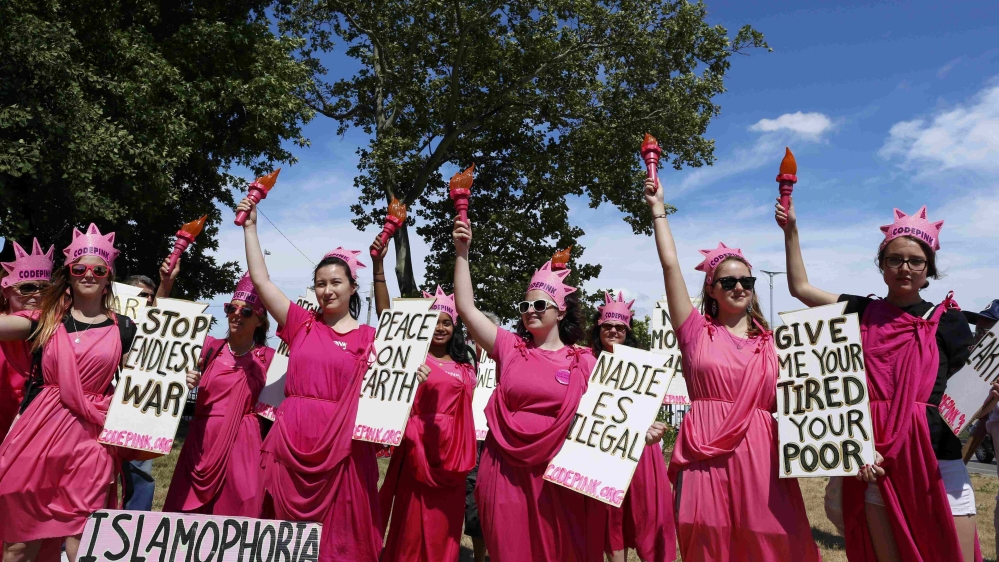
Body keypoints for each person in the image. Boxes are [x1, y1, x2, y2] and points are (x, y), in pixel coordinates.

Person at [778, 198, 966, 561]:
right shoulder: (861, 311)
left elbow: (967, 391)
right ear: (881, 266)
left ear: (929, 269)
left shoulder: (950, 321)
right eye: (894, 259)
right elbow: (801, 288)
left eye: (916, 261)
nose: (905, 268)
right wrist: (791, 230)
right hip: (875, 458)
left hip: (938, 459)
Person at [644, 178, 820, 562]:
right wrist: (658, 209)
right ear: (711, 288)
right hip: (705, 449)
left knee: (769, 539)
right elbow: (670, 264)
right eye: (728, 281)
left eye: (747, 281)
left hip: (761, 451)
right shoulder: (694, 331)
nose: (739, 286)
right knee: (707, 538)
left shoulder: (777, 342)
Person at [0, 224, 196, 562]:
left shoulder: (125, 327)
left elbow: (158, 356)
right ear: (69, 273)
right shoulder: (45, 319)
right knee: (19, 541)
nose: (88, 274)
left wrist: (181, 377)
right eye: (79, 268)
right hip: (39, 432)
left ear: (108, 276)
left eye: (98, 269)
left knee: (83, 537)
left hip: (91, 439)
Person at [453, 217, 608, 562]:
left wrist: (646, 428)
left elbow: (610, 415)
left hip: (557, 474)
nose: (530, 311)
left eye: (540, 305)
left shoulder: (584, 359)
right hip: (504, 470)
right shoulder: (509, 347)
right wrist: (462, 252)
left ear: (560, 310)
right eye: (525, 306)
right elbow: (466, 308)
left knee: (559, 551)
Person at [237, 196, 382, 562]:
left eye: (335, 282)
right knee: (279, 535)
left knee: (341, 538)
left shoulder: (370, 338)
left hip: (342, 448)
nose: (327, 290)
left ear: (352, 287)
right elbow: (261, 279)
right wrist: (251, 226)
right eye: (320, 283)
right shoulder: (301, 324)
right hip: (292, 438)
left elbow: (390, 383)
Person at [374, 271, 477, 561]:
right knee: (411, 527)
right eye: (433, 322)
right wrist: (379, 269)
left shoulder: (465, 365)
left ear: (455, 327)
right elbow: (387, 323)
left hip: (453, 459)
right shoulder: (412, 359)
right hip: (418, 451)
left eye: (446, 323)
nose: (440, 328)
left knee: (445, 528)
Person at [163, 273, 275, 516]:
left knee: (238, 511)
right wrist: (185, 379)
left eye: (246, 311)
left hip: (244, 443)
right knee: (187, 518)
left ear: (259, 320)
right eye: (231, 308)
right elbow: (160, 335)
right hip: (201, 442)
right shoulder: (210, 347)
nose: (236, 314)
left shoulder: (269, 358)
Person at [588, 292, 675, 562]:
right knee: (611, 518)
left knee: (649, 514)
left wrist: (654, 427)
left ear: (627, 331)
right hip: (603, 450)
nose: (613, 331)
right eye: (607, 326)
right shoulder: (585, 361)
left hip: (640, 451)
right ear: (599, 328)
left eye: (619, 327)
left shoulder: (643, 364)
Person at [121, 258, 179, 512]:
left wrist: (166, 283)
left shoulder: (156, 330)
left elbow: (157, 309)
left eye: (149, 296)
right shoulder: (106, 322)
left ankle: (133, 525)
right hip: (100, 406)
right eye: (138, 295)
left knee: (139, 473)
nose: (144, 300)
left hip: (135, 409)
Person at [0, 239, 54, 437]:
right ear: (6, 291)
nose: (37, 295)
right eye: (27, 288)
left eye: (44, 288)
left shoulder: (46, 320)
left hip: (28, 418)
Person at [464, 311, 500, 562]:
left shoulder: (504, 359)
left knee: (481, 504)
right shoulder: (459, 357)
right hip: (460, 437)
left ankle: (480, 558)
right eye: (472, 331)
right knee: (460, 500)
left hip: (489, 441)